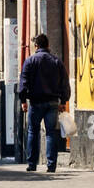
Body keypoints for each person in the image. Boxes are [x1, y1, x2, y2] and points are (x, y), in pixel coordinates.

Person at [19, 32, 71, 173]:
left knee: (32, 132)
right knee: (50, 133)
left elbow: (24, 82)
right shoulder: (56, 61)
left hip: (35, 103)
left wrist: (23, 100)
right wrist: (64, 101)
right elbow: (65, 83)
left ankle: (32, 164)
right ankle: (51, 165)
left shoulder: (30, 61)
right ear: (48, 45)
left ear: (36, 46)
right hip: (52, 102)